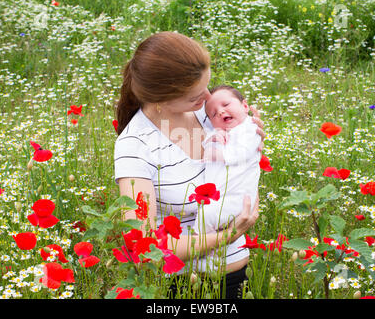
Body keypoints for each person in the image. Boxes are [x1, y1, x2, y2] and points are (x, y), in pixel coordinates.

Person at [113, 31, 265, 298]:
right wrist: (226, 236)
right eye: (195, 95)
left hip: (236, 277)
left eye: (206, 85)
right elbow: (145, 244)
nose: (207, 97)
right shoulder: (135, 146)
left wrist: (250, 136)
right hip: (184, 287)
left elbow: (239, 166)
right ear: (160, 100)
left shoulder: (209, 112)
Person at [193, 85, 261, 236]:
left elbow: (242, 153)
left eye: (225, 105)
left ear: (244, 106)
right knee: (207, 214)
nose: (221, 111)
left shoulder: (250, 128)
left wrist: (218, 154)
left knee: (206, 216)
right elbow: (207, 144)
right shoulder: (219, 131)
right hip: (221, 195)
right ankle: (205, 245)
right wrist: (213, 138)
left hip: (238, 196)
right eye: (213, 114)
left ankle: (196, 242)